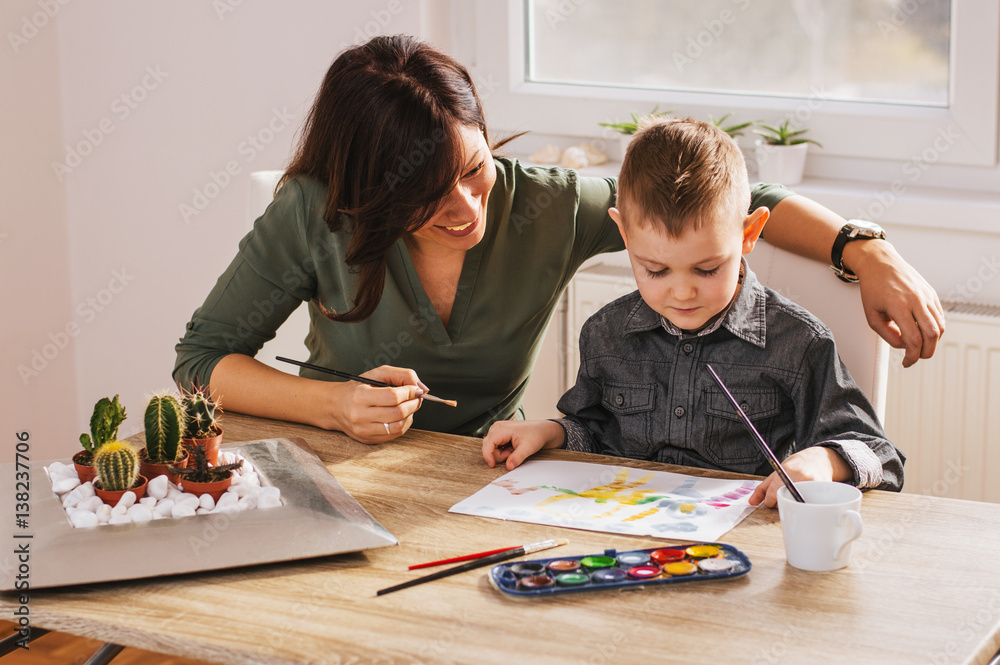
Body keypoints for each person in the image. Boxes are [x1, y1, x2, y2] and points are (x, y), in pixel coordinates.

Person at [174, 34, 942, 445]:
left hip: (467, 480)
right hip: (329, 466)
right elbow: (201, 362)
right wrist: (334, 404)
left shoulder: (541, 204)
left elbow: (738, 200)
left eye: (473, 168)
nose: (467, 208)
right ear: (368, 193)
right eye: (423, 197)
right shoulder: (314, 211)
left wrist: (867, 250)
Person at [481, 116, 905, 508]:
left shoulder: (797, 342)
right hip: (625, 533)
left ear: (749, 233)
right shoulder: (605, 332)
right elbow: (593, 431)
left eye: (707, 269)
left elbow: (881, 456)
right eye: (655, 269)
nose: (682, 292)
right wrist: (550, 431)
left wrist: (824, 462)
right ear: (624, 235)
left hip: (744, 548)